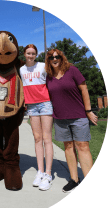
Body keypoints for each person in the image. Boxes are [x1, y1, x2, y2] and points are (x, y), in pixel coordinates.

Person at [45, 48, 98, 193]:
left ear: (61, 58)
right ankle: (74, 179)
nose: (54, 59)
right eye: (51, 57)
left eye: (57, 56)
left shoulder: (72, 70)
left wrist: (88, 111)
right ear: (48, 60)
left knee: (82, 146)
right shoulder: (48, 77)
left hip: (78, 116)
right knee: (68, 147)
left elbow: (84, 89)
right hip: (60, 118)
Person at [20, 44, 53, 191]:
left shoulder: (43, 66)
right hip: (31, 106)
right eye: (28, 53)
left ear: (36, 55)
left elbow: (52, 82)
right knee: (37, 138)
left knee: (47, 138)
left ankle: (48, 174)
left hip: (45, 103)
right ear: (24, 54)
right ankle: (40, 171)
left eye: (33, 53)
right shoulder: (21, 69)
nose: (31, 56)